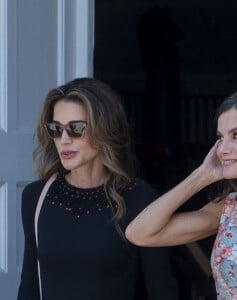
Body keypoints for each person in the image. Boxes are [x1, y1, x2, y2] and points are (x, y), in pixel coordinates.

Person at [126, 89, 237, 299]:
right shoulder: (227, 209)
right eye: (220, 138)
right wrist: (202, 175)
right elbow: (139, 233)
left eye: (236, 136)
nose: (223, 148)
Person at [17, 77, 178, 300]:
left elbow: (160, 291)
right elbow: (29, 288)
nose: (64, 139)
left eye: (75, 129)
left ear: (104, 128)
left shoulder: (138, 198)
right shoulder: (36, 197)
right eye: (55, 129)